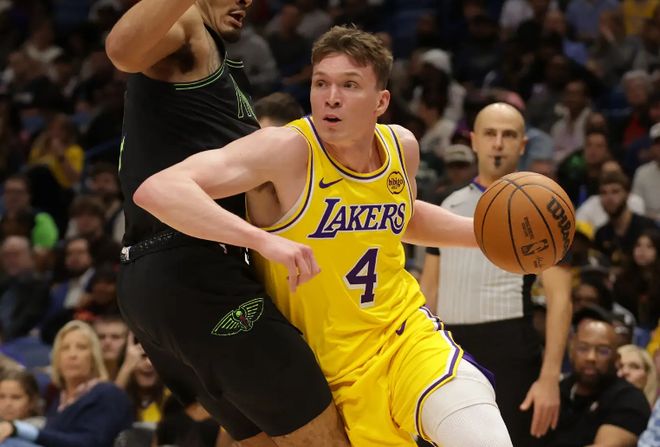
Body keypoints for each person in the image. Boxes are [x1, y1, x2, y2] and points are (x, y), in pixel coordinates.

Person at [134, 25, 512, 447]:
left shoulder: (401, 145)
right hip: (328, 375)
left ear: (381, 102)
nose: (331, 97)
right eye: (320, 83)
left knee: (481, 431)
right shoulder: (286, 149)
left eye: (349, 85)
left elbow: (401, 217)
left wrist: (486, 236)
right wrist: (261, 239)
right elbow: (158, 190)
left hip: (405, 336)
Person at [105, 1, 348, 445]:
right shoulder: (188, 25)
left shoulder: (214, 69)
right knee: (325, 439)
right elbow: (121, 51)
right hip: (196, 271)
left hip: (150, 280)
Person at [419, 102, 572, 446]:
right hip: (449, 346)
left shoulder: (545, 205)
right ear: (474, 140)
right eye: (490, 134)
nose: (498, 143)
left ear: (523, 145)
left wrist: (550, 378)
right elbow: (428, 290)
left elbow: (561, 298)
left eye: (509, 135)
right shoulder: (446, 202)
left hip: (512, 348)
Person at [0, 320, 134, 447]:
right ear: (56, 357)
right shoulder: (58, 397)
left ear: (94, 356)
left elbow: (90, 443)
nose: (72, 354)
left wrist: (21, 430)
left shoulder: (109, 394)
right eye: (65, 348)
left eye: (81, 347)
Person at [538, 306, 651, 447]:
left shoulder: (629, 398)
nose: (591, 357)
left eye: (603, 351)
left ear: (617, 359)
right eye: (583, 348)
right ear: (571, 352)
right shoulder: (557, 391)